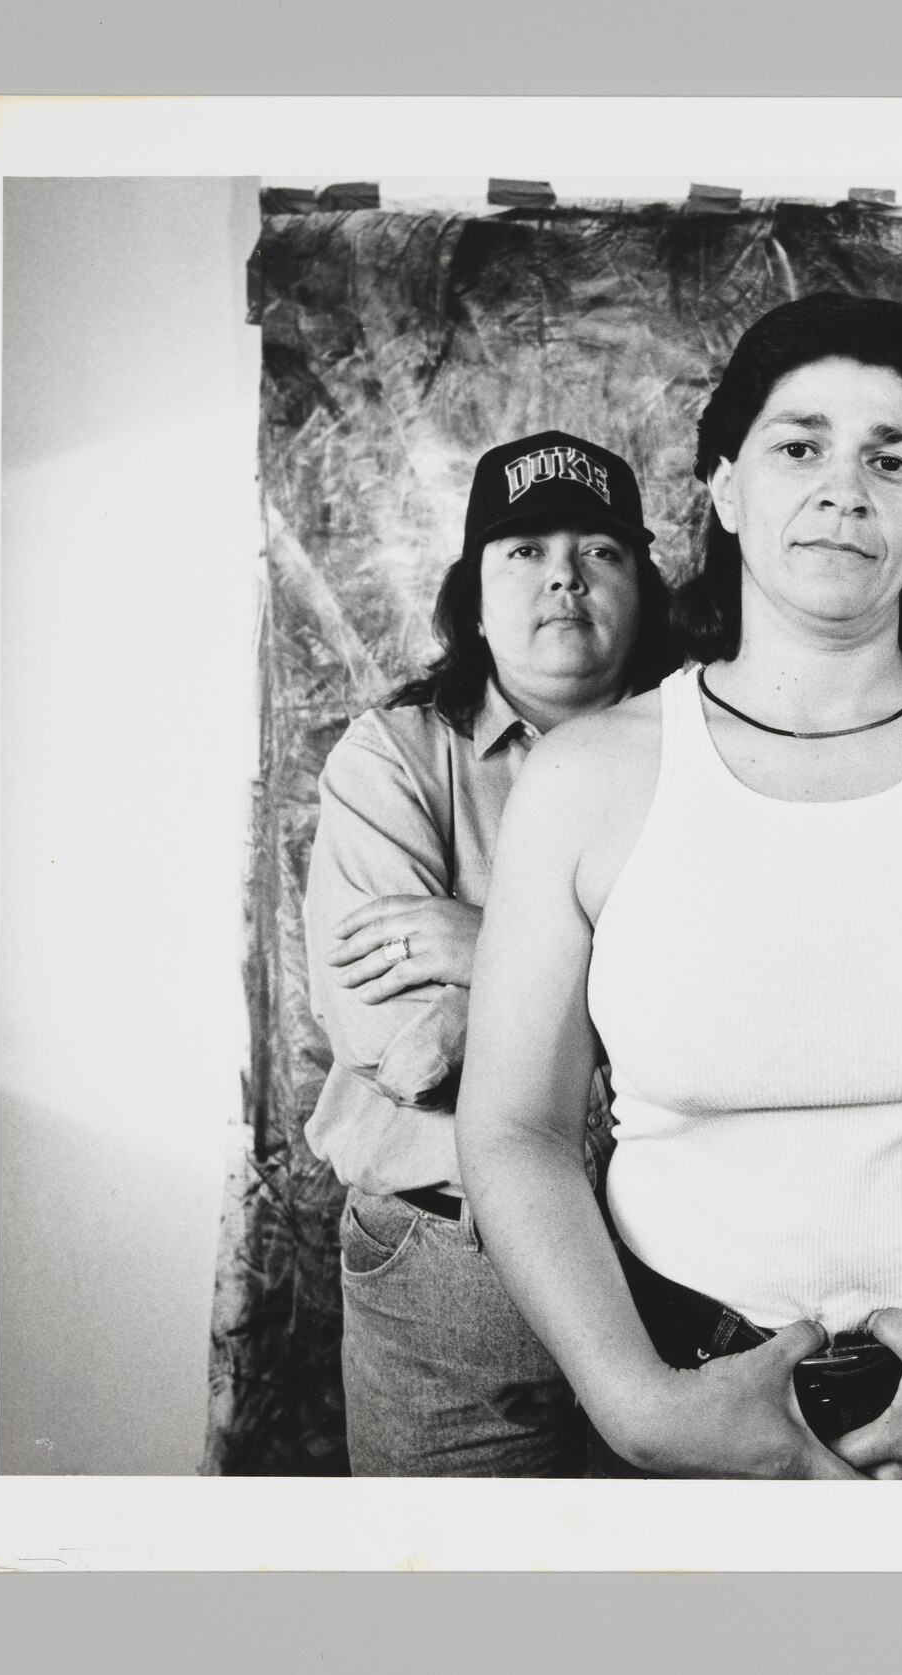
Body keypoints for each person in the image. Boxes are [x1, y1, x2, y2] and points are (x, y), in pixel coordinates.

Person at [456, 293, 902, 1480]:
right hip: (688, 1398)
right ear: (724, 487)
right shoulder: (589, 777)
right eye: (798, 446)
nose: (841, 489)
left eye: (887, 458)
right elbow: (513, 1128)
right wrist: (638, 1406)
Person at [301, 429, 677, 1476]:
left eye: (601, 549)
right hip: (448, 1270)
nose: (563, 573)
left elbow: (766, 1015)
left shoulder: (711, 752)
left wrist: (490, 950)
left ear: (643, 587)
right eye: (523, 550)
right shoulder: (392, 759)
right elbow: (408, 1048)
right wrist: (639, 981)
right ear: (472, 597)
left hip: (677, 1255)